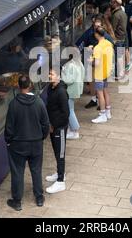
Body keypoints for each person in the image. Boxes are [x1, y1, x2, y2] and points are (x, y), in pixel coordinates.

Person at [5, 75, 50, 211]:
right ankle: (39, 198)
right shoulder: (39, 102)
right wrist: (41, 137)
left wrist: (8, 141)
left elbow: (9, 127)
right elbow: (45, 124)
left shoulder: (13, 104)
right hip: (36, 144)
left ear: (18, 87)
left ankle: (17, 201)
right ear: (30, 85)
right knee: (36, 170)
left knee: (18, 172)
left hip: (18, 145)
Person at [76, 15, 114, 109]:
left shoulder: (106, 39)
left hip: (100, 66)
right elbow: (79, 43)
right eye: (94, 25)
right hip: (93, 64)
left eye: (97, 26)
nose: (95, 28)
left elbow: (110, 53)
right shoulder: (89, 33)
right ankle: (95, 100)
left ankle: (102, 107)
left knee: (101, 90)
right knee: (92, 83)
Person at [45, 68, 70, 194]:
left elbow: (66, 114)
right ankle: (61, 172)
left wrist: (54, 125)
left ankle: (61, 181)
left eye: (52, 74)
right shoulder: (51, 88)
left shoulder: (61, 92)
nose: (50, 76)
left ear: (59, 76)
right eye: (49, 73)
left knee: (60, 154)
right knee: (56, 151)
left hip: (59, 128)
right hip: (52, 127)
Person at [90, 27, 114, 124]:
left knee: (100, 94)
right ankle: (108, 112)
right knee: (106, 92)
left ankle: (103, 114)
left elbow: (96, 64)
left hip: (99, 74)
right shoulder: (109, 43)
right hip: (107, 72)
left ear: (96, 35)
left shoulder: (97, 48)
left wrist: (91, 59)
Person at [61, 52, 85, 140]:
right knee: (71, 109)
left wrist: (61, 75)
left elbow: (68, 80)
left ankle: (75, 131)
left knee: (69, 110)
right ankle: (72, 129)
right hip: (76, 89)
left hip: (70, 90)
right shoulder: (79, 62)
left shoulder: (69, 65)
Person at [105, 0, 128, 79]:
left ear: (115, 4)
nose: (111, 4)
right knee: (120, 57)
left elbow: (112, 28)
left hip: (117, 39)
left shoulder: (116, 15)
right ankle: (121, 73)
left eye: (112, 3)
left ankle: (117, 74)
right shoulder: (123, 13)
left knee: (116, 58)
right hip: (122, 38)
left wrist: (107, 19)